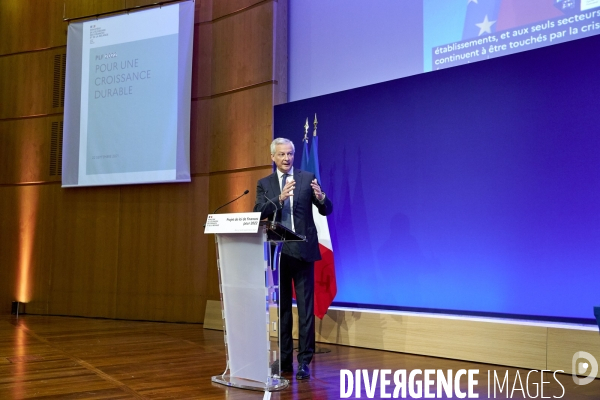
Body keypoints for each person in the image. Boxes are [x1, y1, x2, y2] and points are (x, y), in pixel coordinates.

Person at [254, 137, 333, 380]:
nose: (287, 158)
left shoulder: (306, 177)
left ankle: (305, 361)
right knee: (284, 309)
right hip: (278, 252)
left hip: (303, 250)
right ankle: (285, 359)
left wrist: (320, 198)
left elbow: (326, 209)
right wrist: (279, 200)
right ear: (273, 157)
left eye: (290, 154)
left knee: (305, 309)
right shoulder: (265, 183)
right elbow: (257, 211)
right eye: (282, 154)